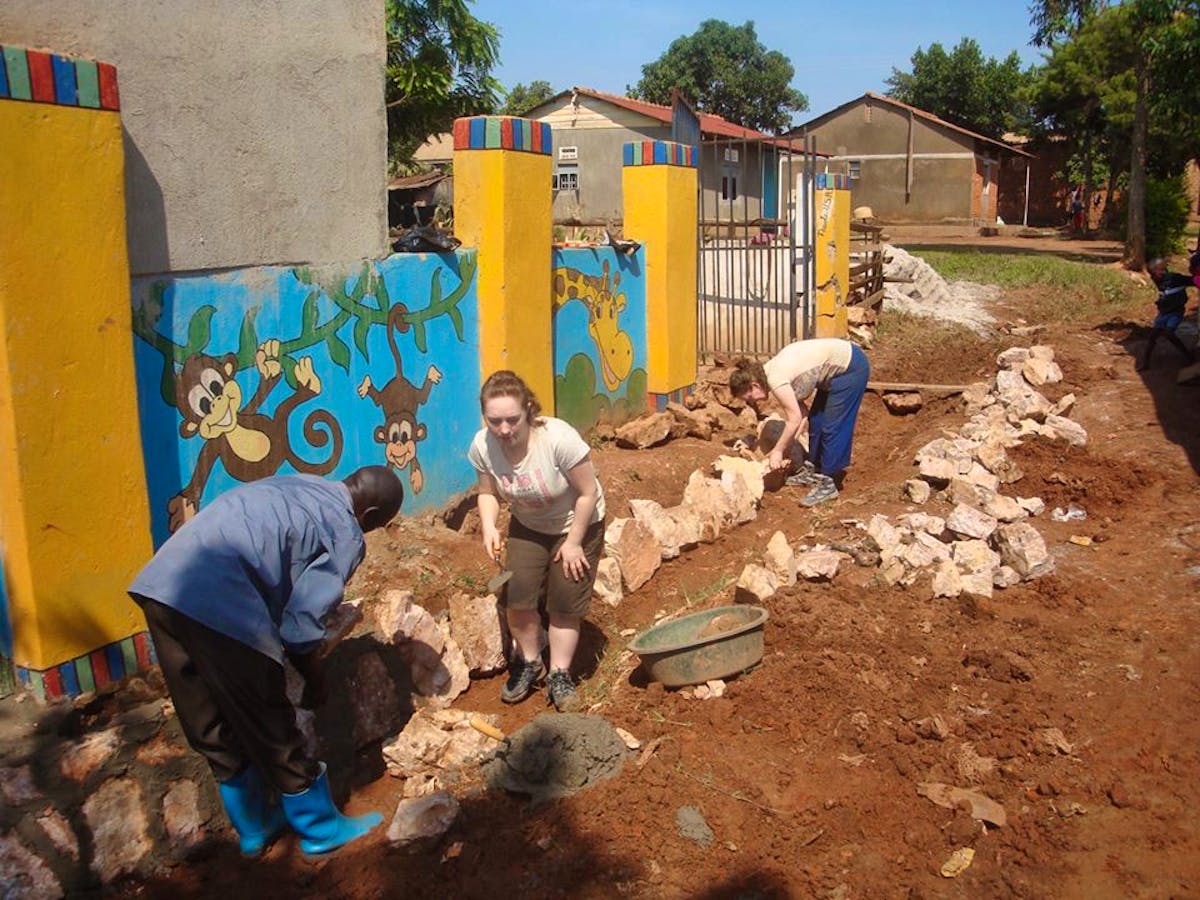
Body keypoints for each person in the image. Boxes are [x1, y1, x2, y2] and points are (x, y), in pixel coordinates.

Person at [128, 466, 404, 857]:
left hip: (163, 587)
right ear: (371, 516)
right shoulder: (344, 530)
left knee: (208, 723)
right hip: (223, 601)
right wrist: (315, 677)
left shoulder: (301, 481)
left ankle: (254, 827)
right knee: (272, 723)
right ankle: (321, 828)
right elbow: (302, 625)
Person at [468, 370, 605, 713]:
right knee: (518, 596)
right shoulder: (483, 446)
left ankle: (559, 673)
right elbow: (487, 492)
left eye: (512, 419)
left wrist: (573, 543)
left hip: (578, 522)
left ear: (528, 409)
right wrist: (489, 526)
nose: (504, 429)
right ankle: (531, 661)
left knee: (563, 602)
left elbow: (588, 492)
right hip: (529, 524)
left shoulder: (557, 439)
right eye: (494, 420)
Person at [729, 338, 870, 507]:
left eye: (750, 397)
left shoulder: (775, 378)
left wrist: (778, 451)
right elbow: (802, 415)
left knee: (833, 426)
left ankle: (829, 481)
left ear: (754, 385)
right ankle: (813, 468)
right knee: (817, 420)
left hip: (851, 368)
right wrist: (787, 448)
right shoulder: (768, 374)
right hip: (832, 375)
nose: (754, 402)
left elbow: (794, 418)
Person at [1137, 258, 1196, 371]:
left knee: (1169, 333)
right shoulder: (1157, 279)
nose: (1159, 273)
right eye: (1155, 271)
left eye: (1162, 270)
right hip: (1164, 313)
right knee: (1152, 336)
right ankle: (1146, 363)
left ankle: (1189, 357)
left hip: (1176, 312)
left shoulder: (1176, 278)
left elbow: (1193, 280)